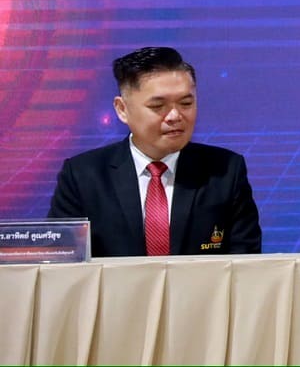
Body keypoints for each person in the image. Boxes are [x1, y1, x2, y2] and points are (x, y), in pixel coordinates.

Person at [48, 46, 262, 257]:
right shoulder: (83, 176)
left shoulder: (225, 171)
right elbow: (62, 261)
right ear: (122, 109)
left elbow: (244, 263)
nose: (175, 116)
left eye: (186, 103)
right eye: (158, 106)